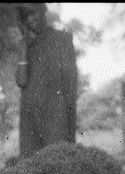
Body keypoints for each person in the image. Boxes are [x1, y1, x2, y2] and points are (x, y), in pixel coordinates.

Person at [15, 4, 77, 158]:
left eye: (33, 13)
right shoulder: (27, 47)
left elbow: (70, 85)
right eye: (25, 17)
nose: (30, 19)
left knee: (56, 165)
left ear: (43, 12)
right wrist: (23, 49)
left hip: (55, 117)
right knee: (31, 169)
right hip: (30, 120)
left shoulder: (62, 39)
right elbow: (21, 82)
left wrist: (69, 124)